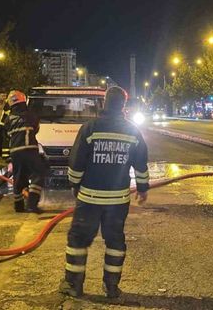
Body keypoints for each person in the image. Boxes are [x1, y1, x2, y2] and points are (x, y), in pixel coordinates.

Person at [60, 86, 149, 299]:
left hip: (89, 198)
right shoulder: (133, 132)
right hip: (118, 200)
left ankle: (73, 285)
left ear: (105, 103)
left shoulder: (90, 128)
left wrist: (74, 184)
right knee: (115, 242)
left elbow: (76, 162)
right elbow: (141, 164)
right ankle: (111, 288)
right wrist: (143, 188)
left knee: (78, 240)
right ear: (124, 106)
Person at [2, 90, 47, 213]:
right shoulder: (31, 115)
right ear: (23, 101)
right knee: (38, 174)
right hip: (30, 150)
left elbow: (6, 132)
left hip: (16, 152)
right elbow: (36, 129)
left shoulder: (9, 119)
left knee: (19, 177)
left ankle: (19, 206)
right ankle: (32, 203)